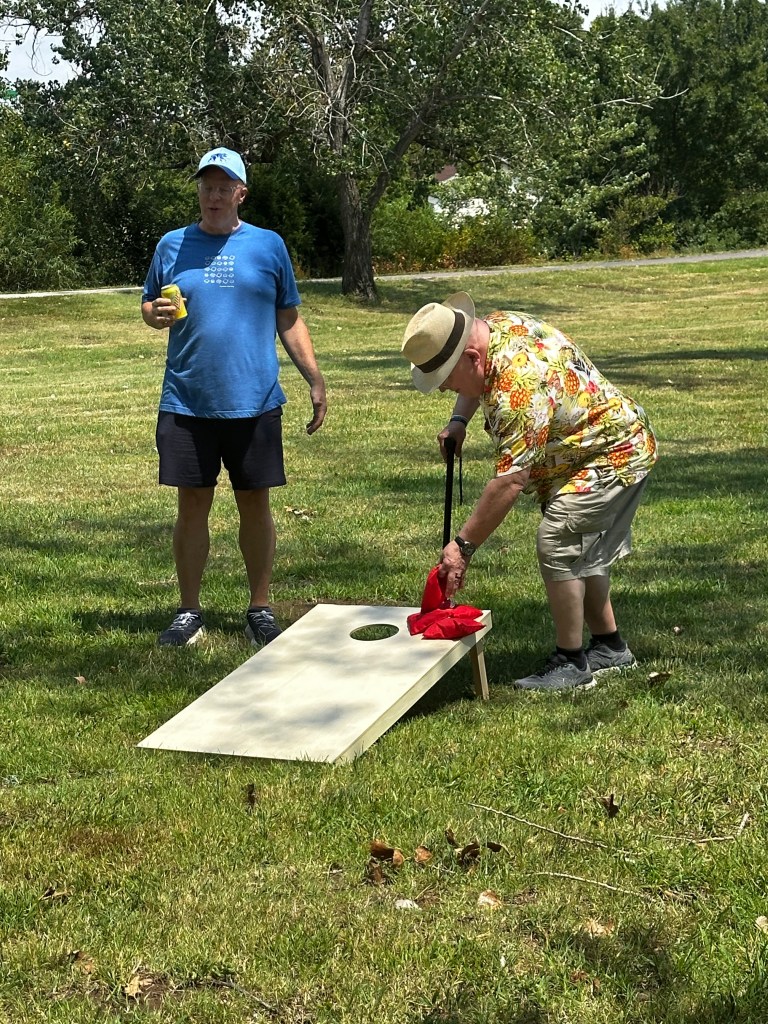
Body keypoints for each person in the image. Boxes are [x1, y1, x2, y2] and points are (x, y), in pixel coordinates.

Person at [401, 293, 657, 692]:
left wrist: (462, 548)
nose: (445, 389)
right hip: (582, 450)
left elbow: (510, 482)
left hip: (612, 451)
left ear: (470, 356)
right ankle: (610, 647)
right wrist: (459, 419)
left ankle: (571, 663)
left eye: (447, 380)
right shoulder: (495, 328)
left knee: (557, 541)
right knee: (579, 549)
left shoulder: (517, 390)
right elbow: (476, 376)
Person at [141, 146, 326, 648]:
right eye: (207, 186)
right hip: (187, 400)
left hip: (255, 400)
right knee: (192, 505)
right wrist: (154, 315)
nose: (214, 196)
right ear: (199, 191)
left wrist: (314, 378)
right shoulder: (172, 245)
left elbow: (288, 317)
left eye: (224, 187)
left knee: (255, 504)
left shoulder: (268, 246)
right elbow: (150, 305)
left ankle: (260, 609)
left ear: (241, 193)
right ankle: (188, 612)